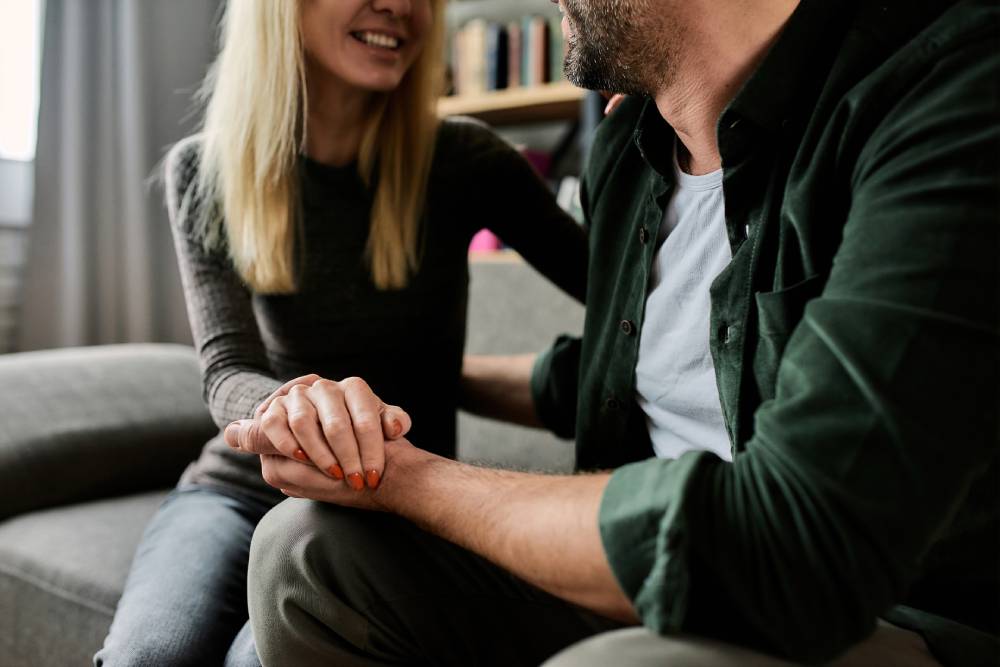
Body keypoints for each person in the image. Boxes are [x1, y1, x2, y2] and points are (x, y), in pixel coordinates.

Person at [228, 0, 1000, 664]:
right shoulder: (628, 157)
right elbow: (622, 374)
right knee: (304, 553)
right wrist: (383, 402)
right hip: (644, 588)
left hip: (877, 615)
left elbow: (795, 542)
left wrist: (404, 477)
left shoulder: (948, 91)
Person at [93, 0, 588, 664]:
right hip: (236, 491)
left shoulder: (466, 162)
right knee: (150, 655)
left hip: (390, 508)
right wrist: (288, 405)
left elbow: (632, 301)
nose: (401, 7)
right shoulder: (204, 171)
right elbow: (226, 369)